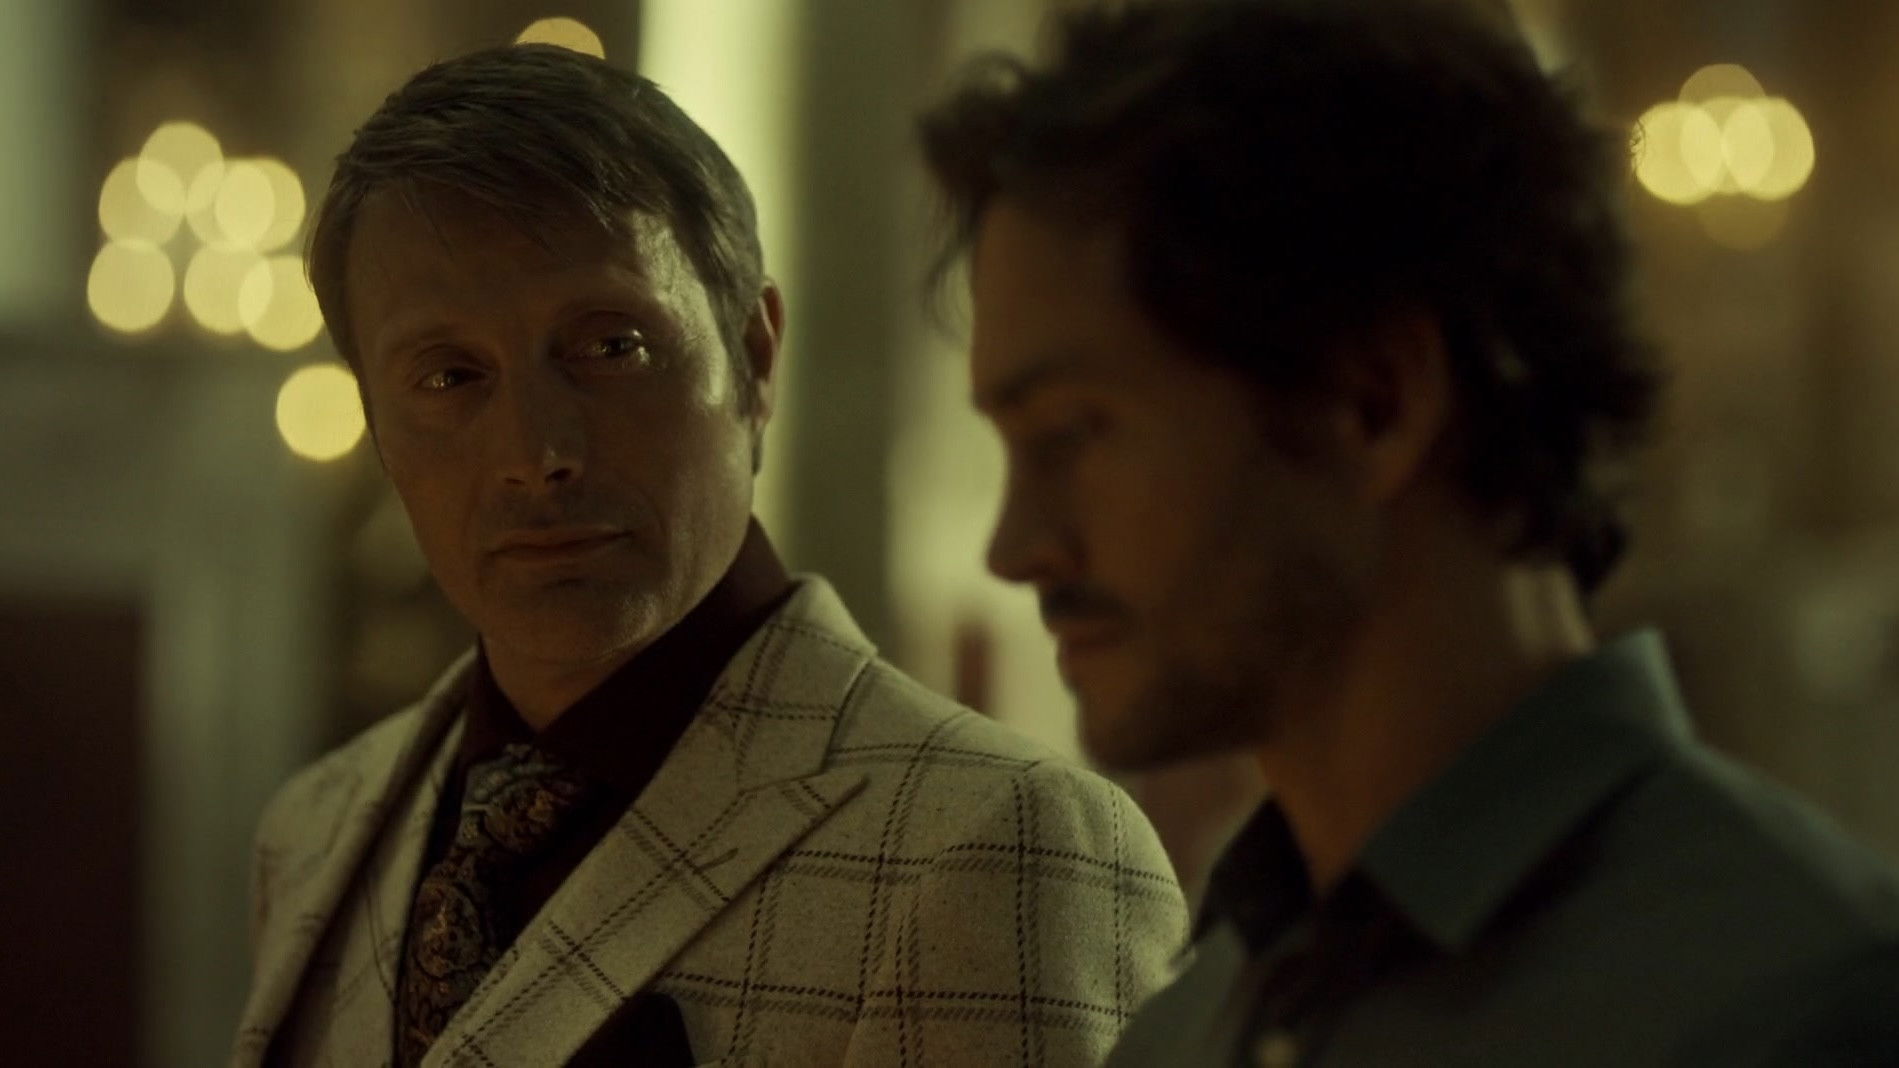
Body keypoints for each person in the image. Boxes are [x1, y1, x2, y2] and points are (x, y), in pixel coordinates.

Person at [920, 0, 1899, 1064]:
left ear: (1372, 402)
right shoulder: (1187, 1028)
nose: (1014, 547)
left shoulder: (1802, 1011)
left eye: (1072, 432)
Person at [231, 43, 1188, 1068]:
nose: (536, 454)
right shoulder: (319, 828)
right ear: (377, 423)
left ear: (754, 356)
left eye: (612, 346)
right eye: (449, 376)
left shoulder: (1000, 843)